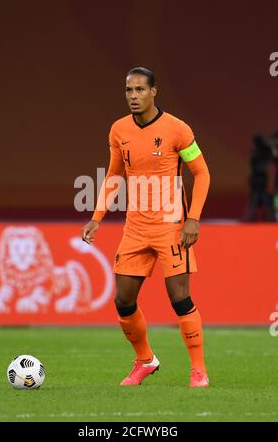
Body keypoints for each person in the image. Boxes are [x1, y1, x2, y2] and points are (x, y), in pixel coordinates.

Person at [82, 67, 210, 387]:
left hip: (171, 225)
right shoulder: (118, 131)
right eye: (129, 91)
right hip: (135, 228)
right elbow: (114, 177)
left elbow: (203, 173)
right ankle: (145, 361)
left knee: (179, 298)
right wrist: (97, 218)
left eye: (140, 90)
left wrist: (192, 218)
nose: (134, 97)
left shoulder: (178, 130)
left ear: (155, 92)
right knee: (123, 301)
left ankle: (198, 369)